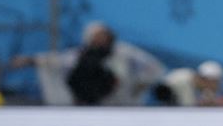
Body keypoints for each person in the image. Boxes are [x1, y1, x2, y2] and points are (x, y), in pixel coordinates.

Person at [11, 21, 166, 106]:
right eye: (98, 36)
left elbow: (154, 68)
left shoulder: (124, 53)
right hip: (99, 105)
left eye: (104, 35)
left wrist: (140, 85)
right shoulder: (82, 56)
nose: (102, 39)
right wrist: (30, 60)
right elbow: (58, 60)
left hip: (125, 105)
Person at [153, 60, 223, 106]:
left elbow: (207, 95)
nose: (217, 87)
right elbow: (188, 110)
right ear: (208, 80)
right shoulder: (184, 80)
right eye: (216, 83)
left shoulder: (196, 81)